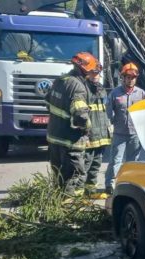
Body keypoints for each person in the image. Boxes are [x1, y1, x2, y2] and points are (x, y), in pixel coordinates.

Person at [46, 52, 97, 197]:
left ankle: (56, 202)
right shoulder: (78, 87)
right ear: (85, 69)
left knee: (58, 176)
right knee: (73, 176)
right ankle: (68, 205)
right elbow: (80, 116)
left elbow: (47, 103)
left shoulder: (59, 80)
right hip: (70, 142)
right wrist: (88, 129)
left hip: (54, 138)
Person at [104, 63, 145, 195]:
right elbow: (108, 111)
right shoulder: (115, 93)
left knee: (132, 162)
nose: (130, 80)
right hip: (119, 133)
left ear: (136, 78)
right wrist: (110, 125)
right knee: (115, 161)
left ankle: (129, 184)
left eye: (133, 77)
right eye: (128, 77)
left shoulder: (141, 94)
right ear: (123, 77)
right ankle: (110, 185)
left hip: (135, 134)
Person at [82, 56, 113, 199]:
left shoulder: (102, 90)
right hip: (90, 133)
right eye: (93, 73)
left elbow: (105, 111)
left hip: (102, 134)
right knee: (85, 164)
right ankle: (80, 192)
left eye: (97, 73)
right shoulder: (84, 89)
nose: (96, 76)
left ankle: (90, 190)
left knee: (96, 164)